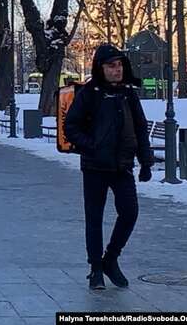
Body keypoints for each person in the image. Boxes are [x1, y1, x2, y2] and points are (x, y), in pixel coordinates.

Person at [64, 44, 154, 291]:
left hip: (122, 165)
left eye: (120, 65)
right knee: (94, 218)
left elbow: (140, 127)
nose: (117, 70)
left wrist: (146, 162)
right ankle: (95, 269)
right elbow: (71, 126)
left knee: (130, 213)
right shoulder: (90, 92)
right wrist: (91, 146)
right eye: (111, 66)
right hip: (95, 167)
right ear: (100, 68)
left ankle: (111, 258)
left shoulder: (127, 93)